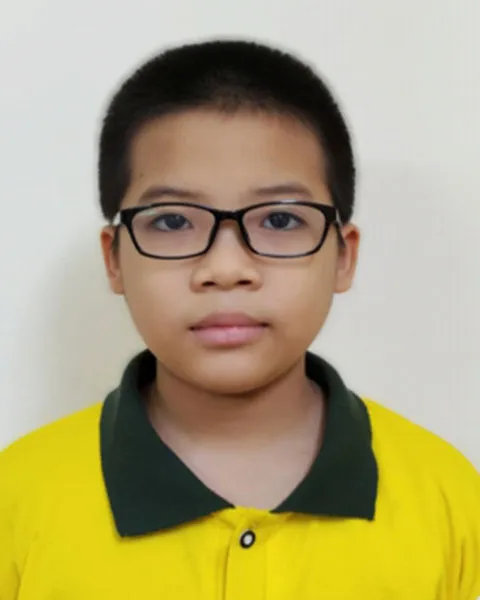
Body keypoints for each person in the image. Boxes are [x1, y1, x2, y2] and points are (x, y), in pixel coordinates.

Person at [0, 38, 479, 600]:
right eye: (172, 221)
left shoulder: (450, 501)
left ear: (343, 257)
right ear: (114, 259)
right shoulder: (18, 499)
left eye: (280, 219)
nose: (226, 269)